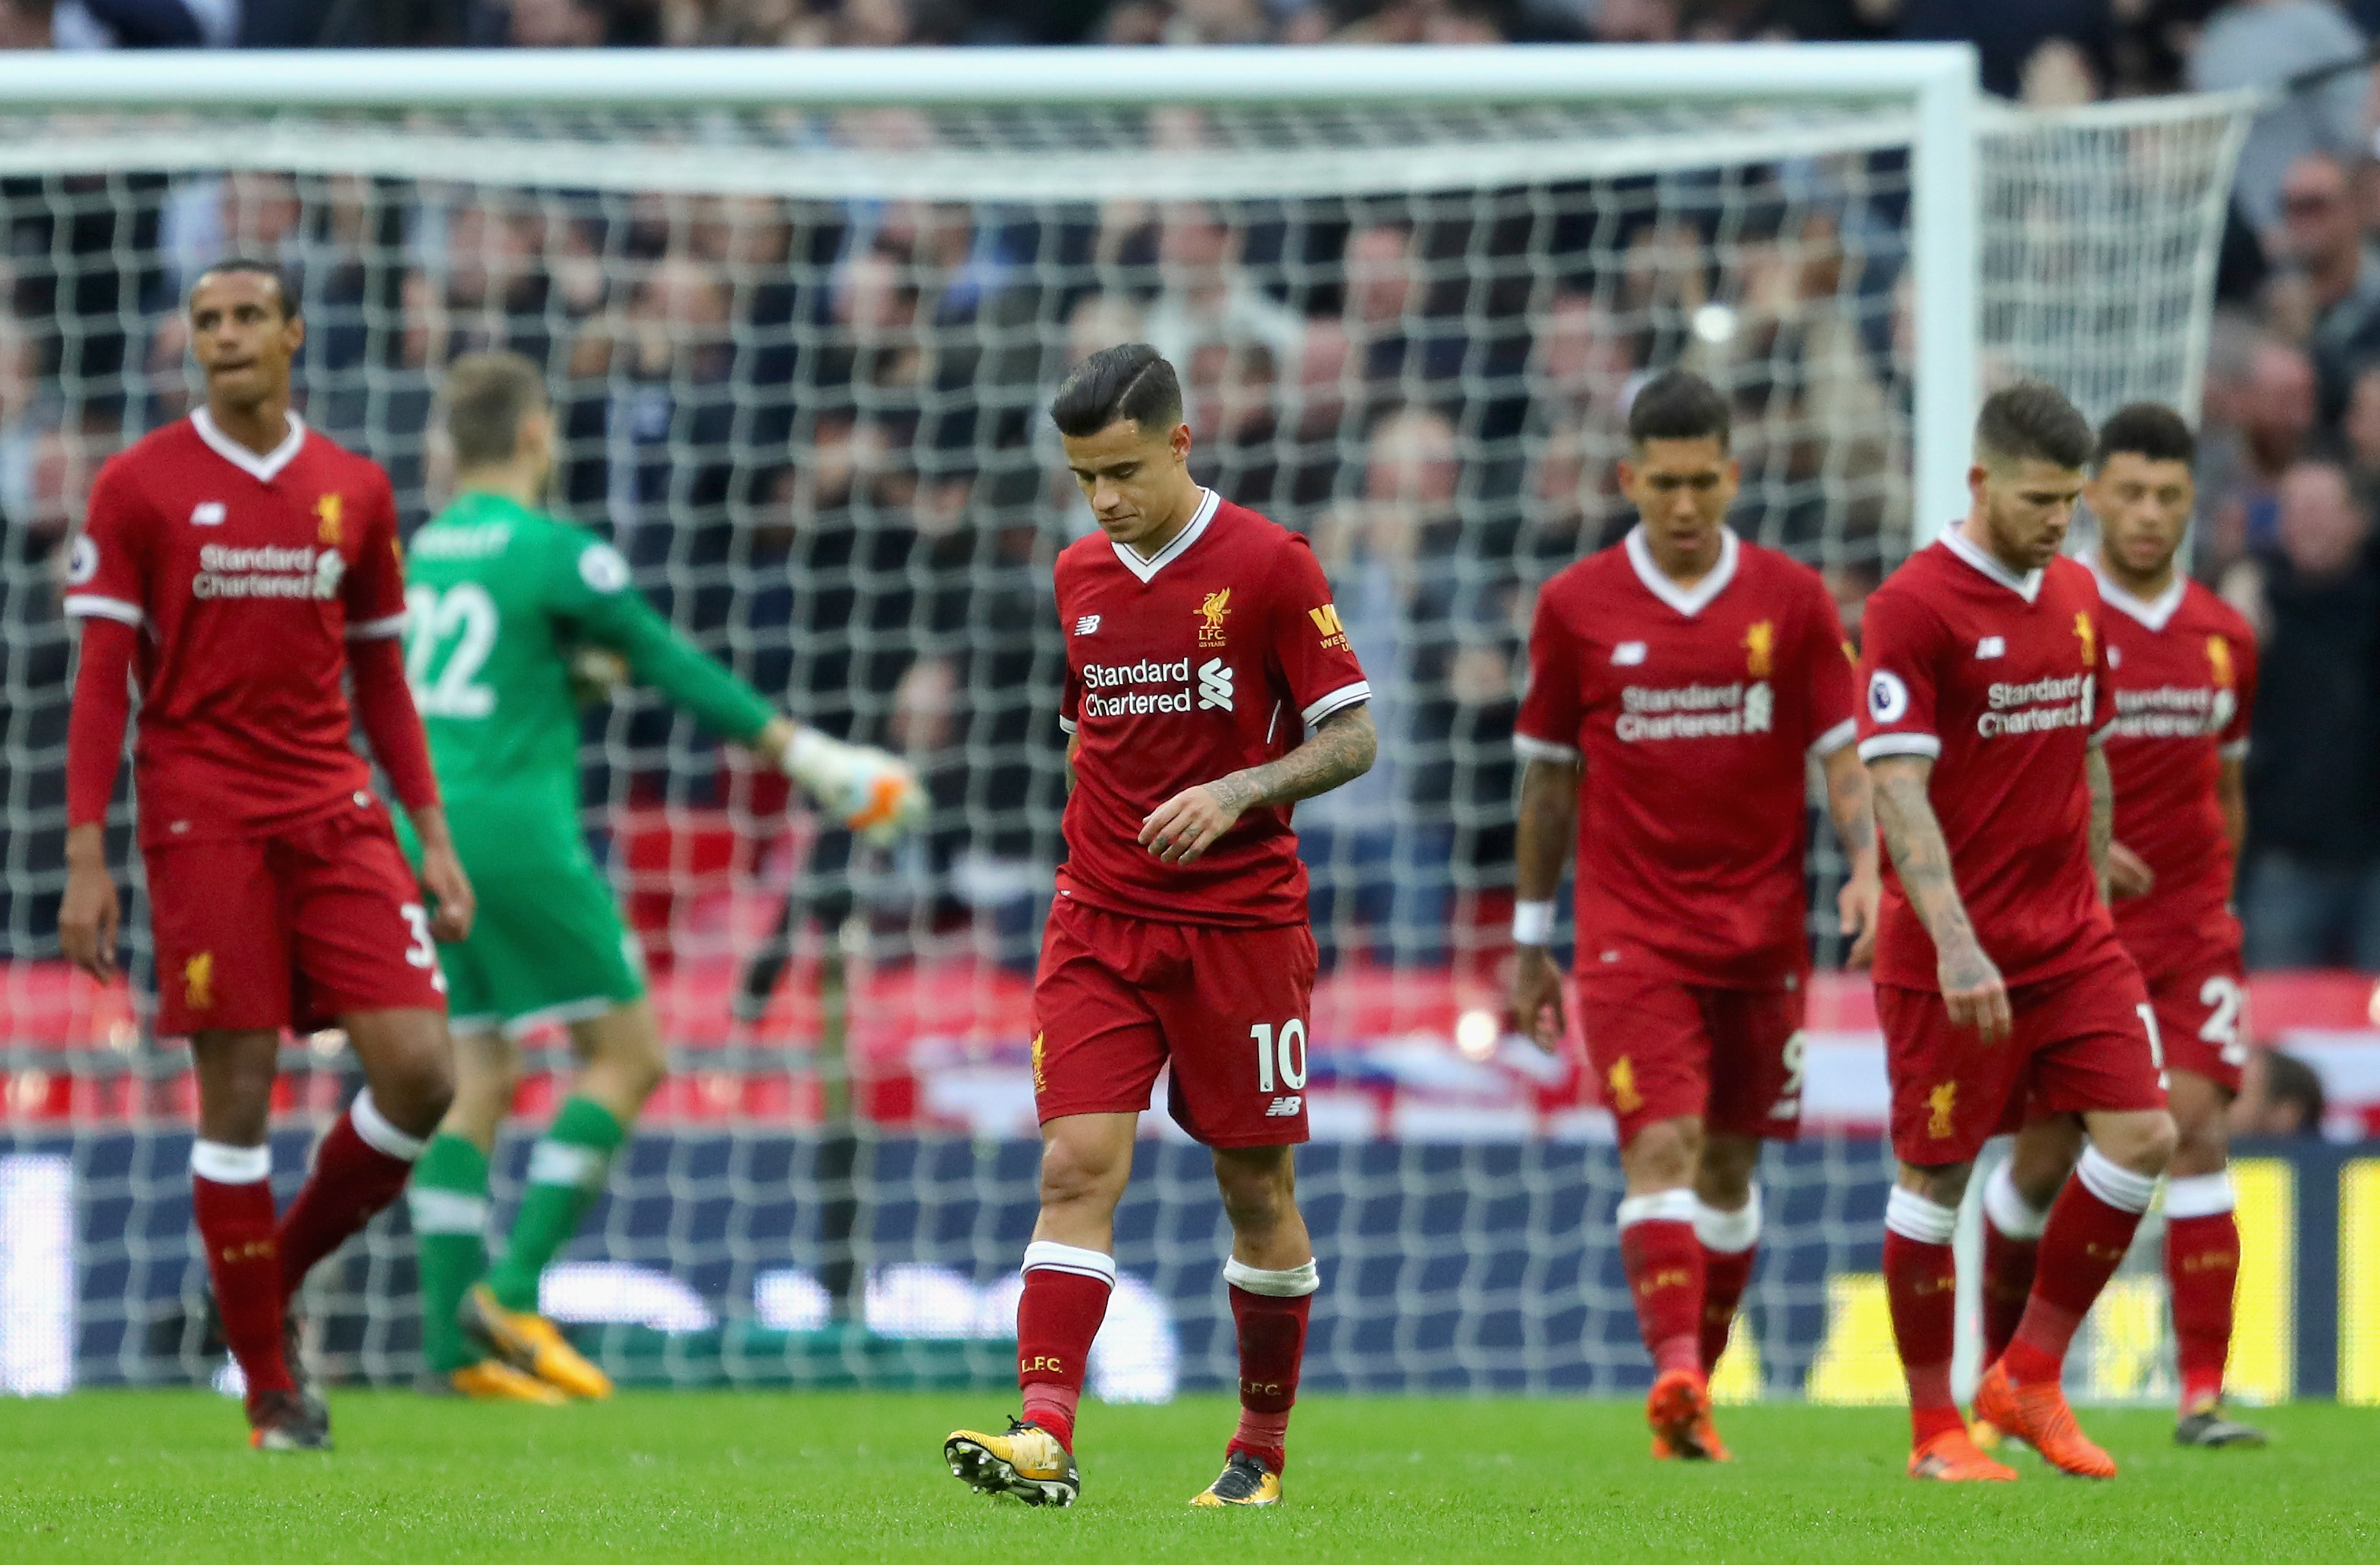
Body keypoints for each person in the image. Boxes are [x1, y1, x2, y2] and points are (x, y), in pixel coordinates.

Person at [397, 352, 922, 1403]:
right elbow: (671, 662)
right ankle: (510, 1287)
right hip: (513, 831)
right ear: (538, 433)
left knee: (477, 1075)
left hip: (415, 829)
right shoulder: (555, 554)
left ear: (450, 447)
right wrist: (815, 759)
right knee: (628, 1055)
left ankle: (453, 1351)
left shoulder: (417, 557)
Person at [942, 344, 1374, 1510]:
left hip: (1238, 926)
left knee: (1254, 1193)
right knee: (1073, 1166)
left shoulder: (1271, 566)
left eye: (1124, 470)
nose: (1106, 501)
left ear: (1181, 444)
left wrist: (1238, 791)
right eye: (1085, 477)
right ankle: (1041, 1431)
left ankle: (1258, 1453)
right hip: (1099, 917)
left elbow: (1353, 737)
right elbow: (1087, 727)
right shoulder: (1079, 571)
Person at [55, 259, 473, 1452]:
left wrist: (430, 833)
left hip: (334, 808)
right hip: (202, 821)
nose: (226, 336)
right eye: (206, 321)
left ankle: (262, 1285)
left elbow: (383, 676)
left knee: (422, 1075)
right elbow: (98, 683)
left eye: (247, 318)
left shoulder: (353, 487)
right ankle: (269, 1391)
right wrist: (88, 856)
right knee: (233, 1102)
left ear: (293, 333)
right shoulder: (139, 486)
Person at [1507, 369, 1879, 1462]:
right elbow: (1547, 785)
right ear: (1627, 478)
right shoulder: (1575, 606)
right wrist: (1531, 941)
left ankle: (1693, 1389)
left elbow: (1840, 757)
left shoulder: (1792, 600)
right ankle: (1672, 1365)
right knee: (1659, 1146)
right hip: (1629, 935)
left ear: (1731, 474)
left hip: (1762, 937)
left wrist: (1865, 867)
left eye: (1699, 482)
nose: (1681, 505)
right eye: (1660, 484)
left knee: (1728, 1171)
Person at [1857, 381, 2177, 1482]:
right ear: (1979, 482)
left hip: (2071, 944)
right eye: (2039, 501)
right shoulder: (1912, 606)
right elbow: (1896, 786)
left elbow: (2086, 755)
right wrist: (1951, 941)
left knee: (2144, 1138)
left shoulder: (2076, 590)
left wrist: (2091, 902)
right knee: (1932, 1183)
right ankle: (1932, 1432)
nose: (2058, 523)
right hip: (1950, 958)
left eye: (2069, 502)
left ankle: (2026, 1376)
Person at [1975, 403, 2267, 1450]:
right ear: (2091, 497)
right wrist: (2081, 850)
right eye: (2129, 493)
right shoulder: (2058, 613)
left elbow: (2221, 788)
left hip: (2188, 932)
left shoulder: (2224, 639)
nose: (2147, 515)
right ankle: (1997, 1372)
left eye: (2168, 498)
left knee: (2192, 1128)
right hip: (2066, 932)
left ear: (2194, 504)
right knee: (2042, 1164)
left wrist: (2214, 896)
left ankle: (2199, 1397)